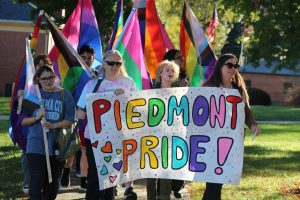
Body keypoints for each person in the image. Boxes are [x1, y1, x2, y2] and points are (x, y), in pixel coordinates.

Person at [77, 49, 138, 200]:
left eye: (118, 63)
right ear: (103, 64)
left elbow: (138, 108)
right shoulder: (92, 85)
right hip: (94, 137)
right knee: (95, 177)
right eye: (110, 63)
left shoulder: (128, 83)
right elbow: (80, 113)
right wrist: (96, 101)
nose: (114, 66)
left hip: (118, 138)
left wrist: (125, 98)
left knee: (111, 178)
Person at [201, 53, 261, 200]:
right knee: (214, 181)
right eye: (229, 65)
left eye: (236, 66)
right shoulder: (208, 87)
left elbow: (245, 111)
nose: (233, 68)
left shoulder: (238, 89)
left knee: (219, 180)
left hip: (230, 142)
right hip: (211, 141)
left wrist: (253, 125)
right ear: (220, 67)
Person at [21, 65, 76, 199]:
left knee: (51, 186)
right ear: (38, 80)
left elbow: (71, 120)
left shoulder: (64, 94)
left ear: (55, 77)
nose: (48, 81)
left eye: (50, 77)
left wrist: (54, 125)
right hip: (36, 146)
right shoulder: (33, 95)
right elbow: (22, 121)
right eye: (44, 78)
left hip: (57, 147)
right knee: (35, 185)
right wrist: (36, 117)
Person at [60, 45, 97, 191]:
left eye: (89, 57)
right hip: (74, 116)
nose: (87, 60)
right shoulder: (73, 73)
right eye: (84, 57)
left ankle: (84, 179)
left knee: (85, 150)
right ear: (79, 57)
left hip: (90, 118)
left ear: (94, 58)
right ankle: (66, 172)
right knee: (71, 149)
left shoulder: (97, 74)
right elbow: (65, 93)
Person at [19, 54, 53, 194]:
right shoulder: (29, 87)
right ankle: (28, 180)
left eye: (44, 64)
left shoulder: (56, 86)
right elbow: (21, 115)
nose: (41, 67)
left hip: (50, 134)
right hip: (32, 133)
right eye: (37, 65)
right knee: (28, 156)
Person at [147, 60, 180, 200]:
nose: (170, 72)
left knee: (167, 170)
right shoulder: (150, 92)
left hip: (171, 138)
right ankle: (151, 197)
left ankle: (165, 197)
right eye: (167, 70)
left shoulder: (179, 93)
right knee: (151, 171)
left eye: (173, 70)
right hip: (152, 137)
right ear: (160, 73)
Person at [163, 49, 189, 198]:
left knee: (180, 152)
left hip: (180, 123)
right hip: (164, 124)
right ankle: (164, 187)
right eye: (179, 58)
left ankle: (177, 186)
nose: (182, 60)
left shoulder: (185, 77)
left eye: (182, 57)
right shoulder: (162, 77)